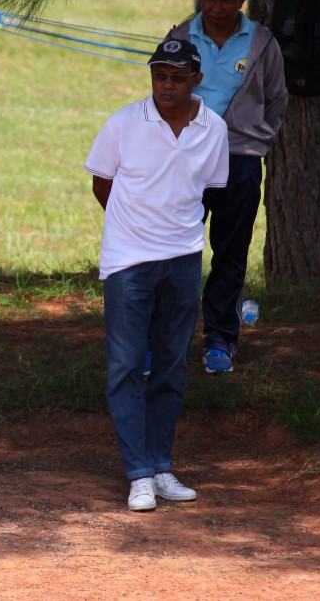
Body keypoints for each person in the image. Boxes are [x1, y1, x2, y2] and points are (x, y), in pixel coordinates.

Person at [85, 39, 229, 512]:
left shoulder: (215, 129)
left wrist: (171, 232)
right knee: (126, 365)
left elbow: (207, 189)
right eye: (158, 75)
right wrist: (136, 229)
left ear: (196, 80)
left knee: (170, 363)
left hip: (185, 257)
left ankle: (161, 465)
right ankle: (139, 473)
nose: (166, 84)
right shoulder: (124, 123)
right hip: (129, 260)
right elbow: (101, 183)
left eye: (176, 76)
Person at [164, 0, 288, 373]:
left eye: (227, 0)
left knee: (230, 253)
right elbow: (163, 93)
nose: (217, 7)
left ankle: (219, 339)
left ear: (242, 0)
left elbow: (276, 100)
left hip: (240, 161)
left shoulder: (262, 42)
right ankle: (165, 340)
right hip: (185, 160)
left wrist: (255, 141)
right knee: (174, 249)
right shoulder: (181, 36)